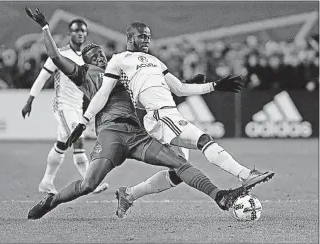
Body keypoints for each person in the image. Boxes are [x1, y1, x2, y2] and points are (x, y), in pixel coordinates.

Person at [25, 7, 250, 220]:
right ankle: (52, 201)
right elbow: (55, 58)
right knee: (88, 185)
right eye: (94, 57)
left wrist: (187, 84)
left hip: (137, 133)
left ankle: (219, 196)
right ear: (86, 63)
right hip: (110, 134)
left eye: (101, 55)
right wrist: (45, 27)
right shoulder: (83, 74)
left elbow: (151, 91)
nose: (100, 59)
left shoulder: (120, 70)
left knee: (179, 163)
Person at [67, 21, 275, 209]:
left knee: (178, 173)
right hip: (160, 117)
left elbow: (180, 88)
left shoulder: (156, 61)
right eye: (142, 36)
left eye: (148, 36)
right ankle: (245, 175)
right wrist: (84, 121)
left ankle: (129, 195)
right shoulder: (119, 60)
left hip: (169, 113)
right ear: (129, 38)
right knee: (203, 140)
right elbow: (103, 93)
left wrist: (215, 85)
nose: (146, 39)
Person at [21, 15, 108, 194]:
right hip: (63, 106)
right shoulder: (60, 54)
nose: (80, 33)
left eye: (83, 30)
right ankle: (91, 183)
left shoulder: (87, 57)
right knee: (78, 142)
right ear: (70, 33)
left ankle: (46, 181)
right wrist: (30, 100)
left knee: (61, 145)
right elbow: (43, 77)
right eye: (76, 30)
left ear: (86, 34)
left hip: (77, 106)